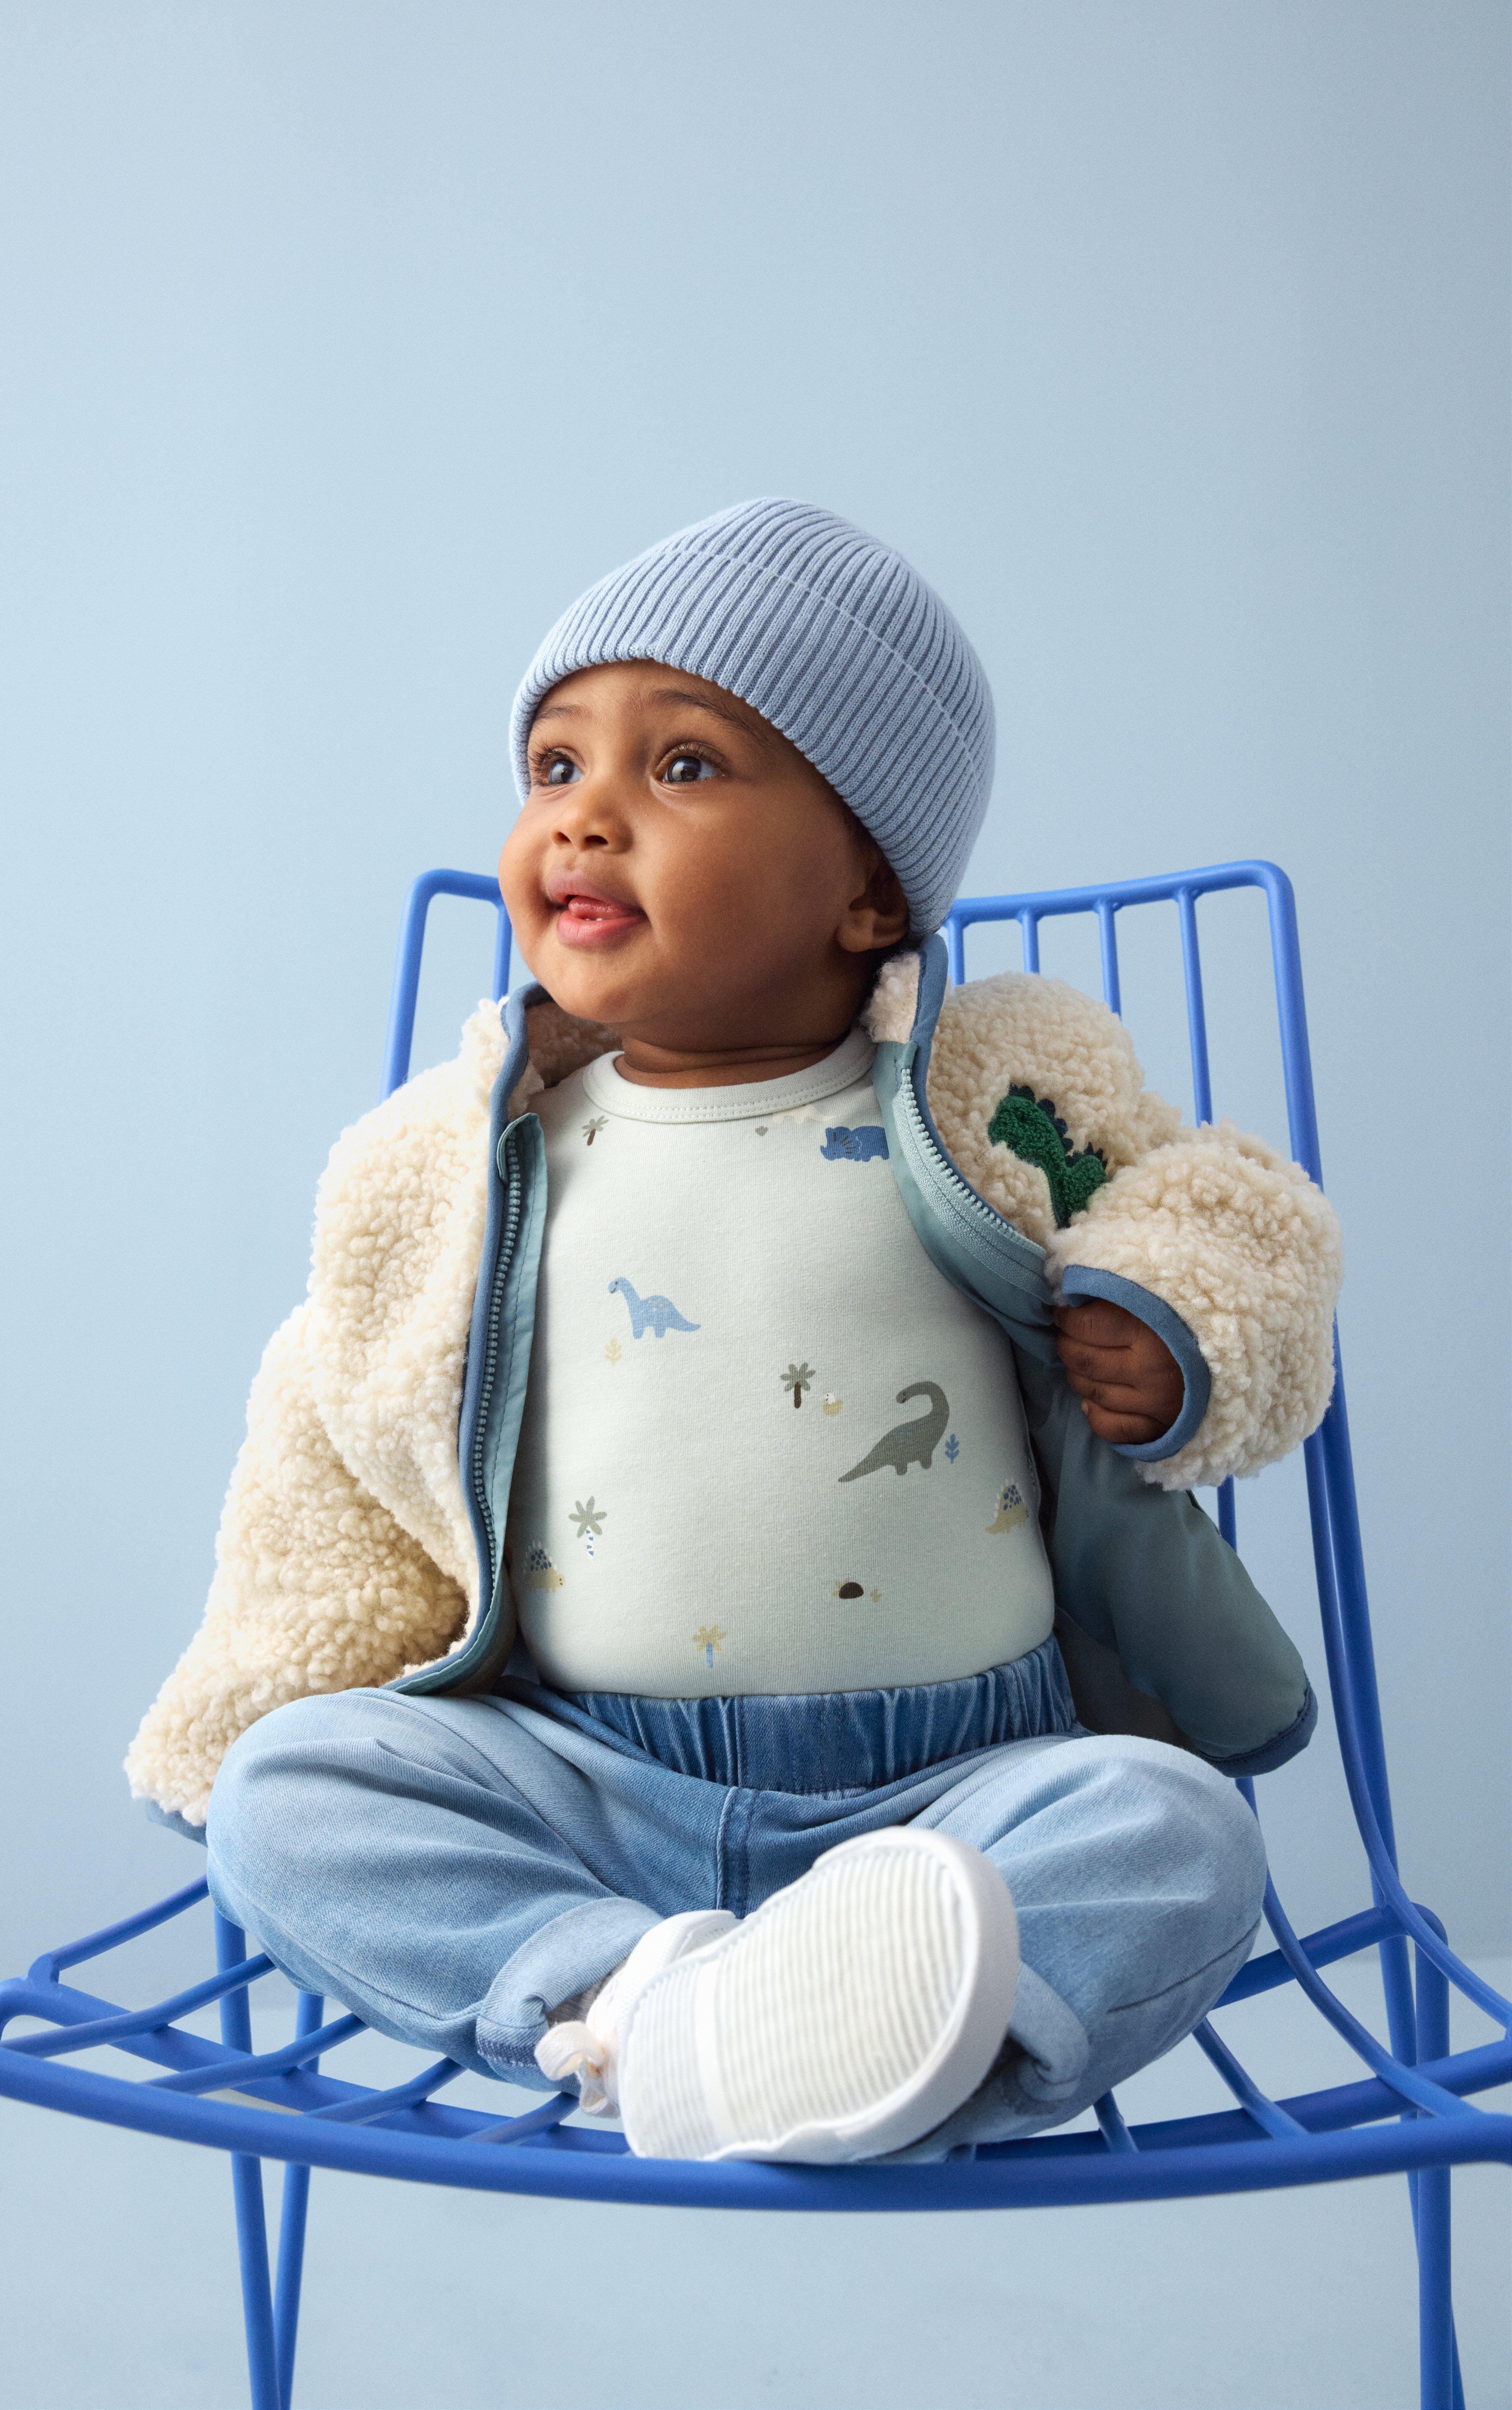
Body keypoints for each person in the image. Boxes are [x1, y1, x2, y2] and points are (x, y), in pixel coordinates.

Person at [126, 500, 1342, 2164]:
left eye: (681, 768)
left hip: (961, 1792)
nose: (584, 821)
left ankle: (883, 2045)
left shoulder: (1004, 1091)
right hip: (582, 1779)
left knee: (1177, 1831)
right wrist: (255, 1687)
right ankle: (637, 2003)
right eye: (554, 768)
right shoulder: (454, 1159)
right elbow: (329, 1431)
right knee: (289, 1801)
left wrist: (1174, 1322)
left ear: (866, 892)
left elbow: (1225, 1204)